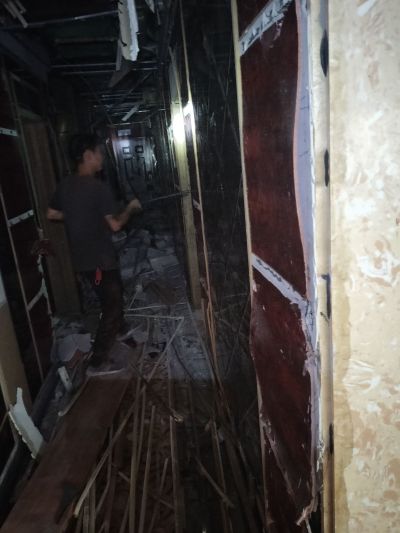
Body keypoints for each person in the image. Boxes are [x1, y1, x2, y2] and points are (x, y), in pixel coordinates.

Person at [47, 133, 142, 374]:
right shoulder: (98, 188)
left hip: (84, 262)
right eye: (99, 153)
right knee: (111, 303)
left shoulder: (65, 185)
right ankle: (97, 362)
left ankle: (120, 329)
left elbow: (52, 214)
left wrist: (79, 216)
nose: (101, 157)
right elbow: (115, 225)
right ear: (88, 155)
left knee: (112, 293)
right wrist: (131, 208)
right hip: (100, 262)